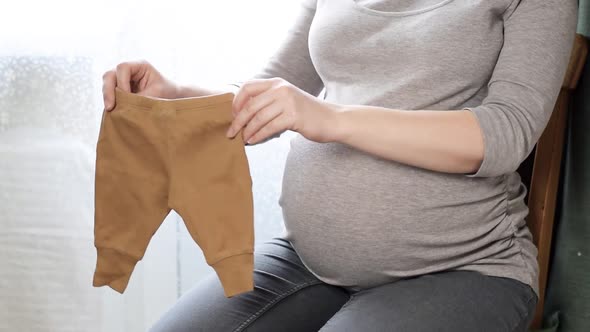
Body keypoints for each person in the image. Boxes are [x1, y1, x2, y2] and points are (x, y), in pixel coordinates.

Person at [102, 0, 578, 331]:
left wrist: (328, 118)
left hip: (463, 267)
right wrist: (177, 96)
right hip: (309, 262)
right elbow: (274, 88)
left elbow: (505, 134)